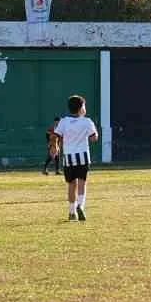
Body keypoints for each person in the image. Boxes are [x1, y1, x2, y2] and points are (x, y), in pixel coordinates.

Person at [53, 94, 100, 222]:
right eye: (84, 106)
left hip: (68, 158)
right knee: (82, 183)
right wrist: (93, 133)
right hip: (83, 157)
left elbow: (55, 135)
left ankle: (72, 211)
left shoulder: (63, 121)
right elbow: (94, 138)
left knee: (71, 184)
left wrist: (55, 147)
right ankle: (81, 205)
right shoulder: (87, 121)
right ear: (81, 108)